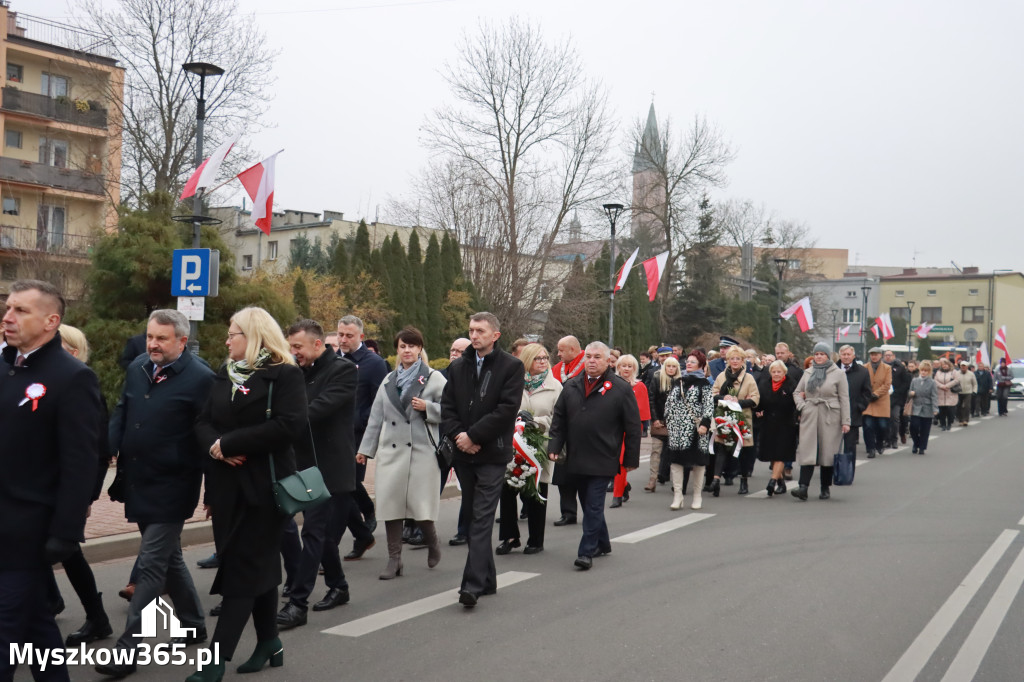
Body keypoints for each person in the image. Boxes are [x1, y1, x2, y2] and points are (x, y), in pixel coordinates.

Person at [192, 307, 307, 681]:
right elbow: (202, 421)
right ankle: (269, 642)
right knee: (257, 566)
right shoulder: (224, 374)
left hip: (266, 489)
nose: (227, 341)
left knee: (242, 571)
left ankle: (215, 661)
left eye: (233, 334)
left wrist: (230, 442)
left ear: (254, 335)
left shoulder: (284, 374)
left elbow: (289, 426)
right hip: (227, 488)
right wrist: (216, 446)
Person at [97, 310, 213, 678]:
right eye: (150, 337)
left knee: (150, 564)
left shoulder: (202, 379)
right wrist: (109, 449)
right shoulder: (138, 367)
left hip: (174, 483)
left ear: (182, 340)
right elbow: (122, 409)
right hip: (137, 478)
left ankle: (128, 650)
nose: (152, 344)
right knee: (169, 556)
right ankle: (193, 623)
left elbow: (207, 435)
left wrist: (214, 489)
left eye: (161, 338)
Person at [1, 280, 101, 682]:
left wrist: (66, 531)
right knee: (38, 629)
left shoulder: (72, 377)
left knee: (6, 630)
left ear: (50, 321)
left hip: (29, 529)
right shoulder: (5, 365)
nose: (8, 317)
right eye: (7, 308)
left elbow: (80, 462)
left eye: (21, 311)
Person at [276, 320, 360, 632]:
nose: (292, 352)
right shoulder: (295, 371)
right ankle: (338, 585)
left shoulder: (343, 370)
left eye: (297, 346)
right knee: (321, 535)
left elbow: (315, 411)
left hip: (329, 468)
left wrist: (281, 416)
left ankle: (298, 603)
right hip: (300, 464)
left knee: (312, 531)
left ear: (316, 344)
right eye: (290, 346)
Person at [441, 313, 524, 608]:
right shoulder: (457, 366)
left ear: (495, 335)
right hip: (464, 454)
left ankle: (471, 585)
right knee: (476, 516)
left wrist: (475, 435)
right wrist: (460, 435)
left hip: (492, 453)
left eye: (480, 330)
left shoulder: (511, 367)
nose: (474, 335)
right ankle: (487, 580)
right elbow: (447, 407)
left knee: (480, 518)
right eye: (471, 330)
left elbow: (506, 410)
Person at [358, 326, 447, 579]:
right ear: (397, 350)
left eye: (412, 345)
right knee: (391, 506)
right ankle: (394, 559)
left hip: (422, 451)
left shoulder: (433, 378)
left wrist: (428, 407)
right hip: (392, 452)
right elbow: (376, 418)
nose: (407, 350)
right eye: (402, 346)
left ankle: (433, 542)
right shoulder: (388, 381)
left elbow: (451, 409)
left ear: (420, 348)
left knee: (421, 507)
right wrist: (365, 450)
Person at [547, 342, 641, 570]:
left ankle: (586, 552)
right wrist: (555, 446)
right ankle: (603, 542)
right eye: (588, 356)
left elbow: (633, 426)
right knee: (587, 503)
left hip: (603, 457)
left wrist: (630, 459)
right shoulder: (571, 385)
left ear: (608, 360)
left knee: (594, 505)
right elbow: (558, 419)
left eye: (597, 356)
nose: (591, 360)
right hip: (576, 457)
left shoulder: (620, 388)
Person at [51, 324, 115, 648]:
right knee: (60, 552)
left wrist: (87, 496)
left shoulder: (80, 383)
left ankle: (95, 617)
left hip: (68, 491)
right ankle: (88, 614)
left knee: (60, 551)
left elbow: (97, 450)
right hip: (44, 489)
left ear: (72, 352)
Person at [496, 343, 561, 555]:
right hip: (512, 444)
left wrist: (534, 421)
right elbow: (501, 408)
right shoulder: (512, 383)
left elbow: (559, 418)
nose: (543, 362)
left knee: (536, 492)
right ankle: (510, 536)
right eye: (537, 358)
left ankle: (536, 539)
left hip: (539, 446)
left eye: (545, 358)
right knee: (507, 490)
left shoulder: (555, 386)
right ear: (527, 360)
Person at [336, 316, 387, 550]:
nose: (344, 340)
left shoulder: (374, 363)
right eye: (341, 335)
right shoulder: (332, 360)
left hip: (358, 434)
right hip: (333, 433)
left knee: (349, 484)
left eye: (349, 335)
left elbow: (380, 401)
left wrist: (363, 423)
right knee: (341, 488)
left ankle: (364, 513)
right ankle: (362, 533)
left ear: (361, 337)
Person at [792, 343, 851, 501]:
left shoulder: (838, 373)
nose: (818, 357)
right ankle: (803, 487)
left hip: (830, 414)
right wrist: (802, 406)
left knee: (828, 452)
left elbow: (844, 398)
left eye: (822, 354)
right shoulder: (808, 371)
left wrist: (846, 421)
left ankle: (825, 487)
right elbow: (797, 392)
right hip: (810, 412)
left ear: (828, 356)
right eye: (816, 354)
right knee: (807, 449)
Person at [664, 353, 713, 510]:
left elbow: (709, 405)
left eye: (693, 362)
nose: (689, 364)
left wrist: (705, 424)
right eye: (688, 361)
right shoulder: (678, 381)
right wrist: (668, 418)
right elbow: (669, 401)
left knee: (698, 463)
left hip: (697, 429)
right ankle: (678, 495)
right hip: (677, 429)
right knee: (676, 462)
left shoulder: (704, 383)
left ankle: (697, 495)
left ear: (701, 365)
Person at [709, 345, 760, 496]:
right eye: (732, 359)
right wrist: (723, 398)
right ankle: (716, 480)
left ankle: (744, 480)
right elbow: (713, 394)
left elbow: (755, 398)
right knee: (721, 448)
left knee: (743, 450)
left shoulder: (748, 378)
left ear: (743, 360)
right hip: (724, 416)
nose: (735, 361)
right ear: (728, 360)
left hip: (742, 417)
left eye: (738, 359)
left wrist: (739, 402)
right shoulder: (721, 376)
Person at [551, 335, 585, 526]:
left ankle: (589, 511)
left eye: (561, 350)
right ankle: (568, 512)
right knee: (563, 472)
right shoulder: (557, 370)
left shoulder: (587, 366)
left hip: (581, 428)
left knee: (582, 474)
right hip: (562, 427)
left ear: (573, 350)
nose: (558, 354)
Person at [609, 355, 650, 508]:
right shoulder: (610, 384)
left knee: (621, 461)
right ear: (618, 367)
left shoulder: (639, 387)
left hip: (629, 429)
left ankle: (617, 495)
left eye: (629, 366)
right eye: (623, 366)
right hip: (612, 428)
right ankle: (624, 485)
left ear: (634, 369)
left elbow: (641, 412)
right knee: (612, 459)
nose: (626, 369)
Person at [442, 337, 472, 545]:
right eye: (453, 350)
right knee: (431, 486)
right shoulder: (440, 375)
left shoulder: (473, 377)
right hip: (442, 441)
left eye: (460, 351)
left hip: (464, 440)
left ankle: (465, 530)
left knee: (468, 489)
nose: (454, 354)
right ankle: (419, 530)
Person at [756, 360, 798, 496]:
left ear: (784, 372)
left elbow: (796, 403)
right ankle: (781, 482)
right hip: (768, 423)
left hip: (786, 424)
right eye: (773, 372)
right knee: (772, 454)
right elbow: (760, 402)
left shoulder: (791, 385)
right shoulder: (764, 384)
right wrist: (757, 410)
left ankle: (772, 481)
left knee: (781, 453)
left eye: (779, 372)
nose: (776, 374)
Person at [645, 355, 681, 492]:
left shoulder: (681, 382)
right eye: (668, 366)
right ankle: (652, 480)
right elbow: (651, 399)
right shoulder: (657, 378)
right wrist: (655, 419)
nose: (671, 369)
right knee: (656, 451)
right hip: (658, 420)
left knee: (674, 452)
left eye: (673, 366)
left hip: (675, 422)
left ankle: (676, 482)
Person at [837, 345, 872, 457]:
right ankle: (832, 471)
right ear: (840, 356)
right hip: (833, 413)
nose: (846, 357)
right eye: (844, 354)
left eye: (848, 354)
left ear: (853, 356)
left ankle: (847, 472)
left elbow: (867, 392)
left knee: (850, 446)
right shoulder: (832, 370)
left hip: (853, 413)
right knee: (832, 446)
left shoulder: (863, 372)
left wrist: (859, 407)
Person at [861, 347, 892, 458]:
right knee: (868, 425)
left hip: (882, 400)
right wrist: (868, 394)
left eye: (876, 354)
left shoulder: (887, 368)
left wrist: (876, 394)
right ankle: (870, 448)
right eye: (872, 354)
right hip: (868, 400)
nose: (874, 356)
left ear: (881, 355)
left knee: (882, 426)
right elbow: (862, 383)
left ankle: (880, 443)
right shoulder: (864, 367)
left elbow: (887, 384)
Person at [908, 360, 940, 454]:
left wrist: (935, 409)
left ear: (929, 371)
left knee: (924, 429)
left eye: (926, 371)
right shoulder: (914, 380)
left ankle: (922, 447)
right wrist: (911, 393)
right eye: (922, 370)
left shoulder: (932, 382)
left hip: (927, 407)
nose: (923, 372)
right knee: (913, 427)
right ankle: (916, 443)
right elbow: (909, 392)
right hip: (916, 407)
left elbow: (934, 396)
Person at [885, 350, 911, 447]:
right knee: (885, 420)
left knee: (895, 418)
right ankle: (886, 439)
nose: (888, 357)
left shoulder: (900, 367)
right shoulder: (881, 367)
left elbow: (906, 382)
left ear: (893, 356)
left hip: (896, 398)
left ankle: (894, 439)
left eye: (890, 355)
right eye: (886, 355)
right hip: (884, 398)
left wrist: (898, 391)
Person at [933, 357, 960, 430]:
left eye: (946, 364)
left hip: (950, 393)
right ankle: (943, 424)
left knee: (950, 410)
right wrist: (941, 386)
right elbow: (935, 380)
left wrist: (947, 386)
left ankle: (949, 423)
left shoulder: (954, 372)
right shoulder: (938, 372)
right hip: (941, 393)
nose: (944, 366)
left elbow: (956, 380)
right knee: (942, 411)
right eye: (943, 365)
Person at [956, 361, 978, 426]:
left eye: (964, 366)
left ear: (967, 367)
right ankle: (960, 419)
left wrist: (974, 391)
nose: (963, 368)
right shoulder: (957, 373)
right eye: (962, 366)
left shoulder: (971, 374)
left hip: (968, 392)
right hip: (959, 392)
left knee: (967, 406)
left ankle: (965, 420)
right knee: (959, 406)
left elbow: (975, 384)